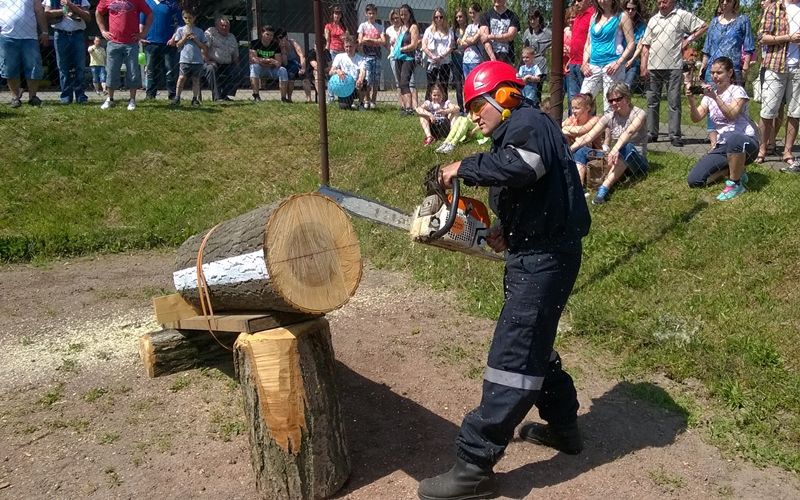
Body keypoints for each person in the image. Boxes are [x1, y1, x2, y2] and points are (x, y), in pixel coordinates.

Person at [417, 60, 590, 500]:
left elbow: (523, 168)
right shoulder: (515, 135)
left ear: (507, 97)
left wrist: (461, 167)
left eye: (479, 105)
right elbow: (530, 188)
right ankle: (565, 427)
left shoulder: (528, 122)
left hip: (545, 257)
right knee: (534, 343)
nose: (474, 115)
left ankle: (475, 464)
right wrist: (502, 231)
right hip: (535, 253)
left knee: (513, 355)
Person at [686, 57, 759, 199]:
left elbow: (731, 114)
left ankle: (735, 184)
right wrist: (691, 101)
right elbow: (696, 118)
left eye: (719, 72)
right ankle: (734, 170)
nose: (714, 76)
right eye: (712, 73)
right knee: (695, 180)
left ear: (730, 73)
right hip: (723, 145)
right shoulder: (709, 95)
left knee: (734, 137)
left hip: (746, 143)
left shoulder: (738, 91)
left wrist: (715, 97)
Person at [640, 0, 706, 146]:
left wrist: (688, 40)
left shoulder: (681, 15)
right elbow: (645, 45)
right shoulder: (653, 20)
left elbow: (703, 26)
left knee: (674, 101)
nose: (661, 2)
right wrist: (643, 65)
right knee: (652, 101)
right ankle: (652, 133)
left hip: (674, 66)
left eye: (665, 0)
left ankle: (675, 135)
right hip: (653, 66)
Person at [570, 82, 648, 204]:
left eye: (618, 99)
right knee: (581, 151)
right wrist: (569, 150)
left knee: (626, 147)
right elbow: (589, 136)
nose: (614, 103)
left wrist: (615, 150)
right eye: (611, 101)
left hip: (636, 161)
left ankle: (602, 191)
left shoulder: (639, 113)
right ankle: (577, 189)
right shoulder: (609, 117)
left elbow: (629, 132)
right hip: (615, 157)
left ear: (627, 98)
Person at [700, 0, 756, 148]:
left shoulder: (742, 20)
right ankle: (714, 143)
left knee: (732, 106)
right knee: (711, 104)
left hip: (732, 70)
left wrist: (745, 68)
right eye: (722, 0)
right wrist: (704, 65)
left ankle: (733, 139)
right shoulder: (713, 22)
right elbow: (707, 47)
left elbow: (749, 46)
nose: (725, 3)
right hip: (713, 69)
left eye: (728, 0)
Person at [757, 0, 800, 169]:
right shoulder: (774, 7)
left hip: (798, 68)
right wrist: (788, 38)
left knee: (795, 112)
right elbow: (762, 37)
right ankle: (762, 150)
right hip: (776, 66)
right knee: (768, 111)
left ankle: (787, 152)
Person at [580, 0, 636, 113]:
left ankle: (611, 130)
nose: (602, 1)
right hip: (594, 65)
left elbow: (631, 43)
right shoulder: (594, 17)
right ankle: (587, 129)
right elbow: (589, 42)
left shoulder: (622, 16)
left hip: (612, 65)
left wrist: (619, 62)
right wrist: (584, 62)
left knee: (610, 105)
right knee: (582, 101)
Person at [96, 0, 153, 111]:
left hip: (131, 44)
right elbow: (98, 12)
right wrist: (103, 31)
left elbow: (150, 14)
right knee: (111, 71)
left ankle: (132, 100)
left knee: (133, 72)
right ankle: (110, 99)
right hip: (113, 43)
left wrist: (143, 33)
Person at [0, 0, 49, 107]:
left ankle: (33, 97)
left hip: (30, 37)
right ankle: (15, 97)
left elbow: (39, 10)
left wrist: (45, 31)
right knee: (10, 68)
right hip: (6, 36)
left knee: (34, 67)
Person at [43, 0, 92, 105]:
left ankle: (81, 96)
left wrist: (71, 5)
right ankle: (65, 97)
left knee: (80, 67)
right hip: (60, 35)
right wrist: (64, 10)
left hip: (78, 35)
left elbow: (87, 17)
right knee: (63, 67)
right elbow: (46, 14)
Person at [139, 0, 181, 101]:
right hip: (150, 43)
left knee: (170, 71)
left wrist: (174, 38)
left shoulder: (172, 3)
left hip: (168, 43)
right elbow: (141, 22)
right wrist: (141, 36)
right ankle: (150, 96)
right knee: (150, 71)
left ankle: (172, 96)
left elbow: (179, 24)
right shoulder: (146, 2)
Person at [171, 9, 207, 107]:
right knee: (181, 78)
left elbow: (204, 46)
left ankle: (195, 99)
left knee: (196, 80)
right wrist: (185, 37)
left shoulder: (199, 31)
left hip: (197, 60)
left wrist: (195, 39)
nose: (188, 20)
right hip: (185, 59)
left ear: (194, 18)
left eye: (190, 18)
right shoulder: (180, 30)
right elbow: (178, 44)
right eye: (185, 18)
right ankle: (177, 97)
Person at [566, 0, 595, 113]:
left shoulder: (593, 14)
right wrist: (570, 59)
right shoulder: (578, 16)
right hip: (573, 63)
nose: (577, 4)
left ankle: (589, 126)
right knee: (572, 98)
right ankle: (573, 124)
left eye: (580, 0)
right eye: (575, 1)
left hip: (586, 63)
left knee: (586, 99)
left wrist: (587, 61)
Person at [392, 4, 420, 115]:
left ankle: (409, 108)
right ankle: (404, 107)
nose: (403, 16)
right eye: (401, 14)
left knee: (405, 82)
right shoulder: (401, 27)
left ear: (410, 14)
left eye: (405, 14)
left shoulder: (413, 27)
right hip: (399, 57)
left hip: (408, 58)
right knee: (400, 83)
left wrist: (402, 48)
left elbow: (414, 44)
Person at [204, 17, 239, 102]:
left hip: (227, 64)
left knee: (237, 71)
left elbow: (235, 55)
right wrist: (207, 60)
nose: (224, 27)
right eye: (222, 25)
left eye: (226, 26)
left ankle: (224, 95)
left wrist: (237, 65)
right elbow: (204, 48)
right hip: (210, 62)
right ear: (216, 26)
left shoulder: (231, 37)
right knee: (211, 68)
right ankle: (217, 97)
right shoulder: (210, 33)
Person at [356, 3, 385, 109]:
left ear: (376, 14)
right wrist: (374, 41)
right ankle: (367, 99)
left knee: (376, 80)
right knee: (368, 79)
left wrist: (370, 40)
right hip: (366, 55)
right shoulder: (363, 26)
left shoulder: (380, 27)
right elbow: (360, 40)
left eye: (373, 13)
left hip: (377, 56)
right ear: (366, 14)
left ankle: (374, 99)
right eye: (369, 13)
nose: (371, 15)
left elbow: (383, 41)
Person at [249, 25, 287, 102]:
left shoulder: (275, 45)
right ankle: (256, 96)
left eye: (271, 35)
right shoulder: (254, 43)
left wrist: (264, 61)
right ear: (262, 34)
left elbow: (278, 63)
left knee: (283, 70)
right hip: (260, 68)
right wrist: (269, 60)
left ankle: (283, 98)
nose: (269, 37)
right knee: (254, 67)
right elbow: (253, 59)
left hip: (271, 69)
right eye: (267, 34)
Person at [422, 7, 454, 99]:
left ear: (444, 18)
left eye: (441, 17)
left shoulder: (449, 30)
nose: (438, 19)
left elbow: (451, 46)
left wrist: (441, 56)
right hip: (432, 61)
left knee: (444, 85)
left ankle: (444, 107)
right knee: (430, 85)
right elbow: (424, 46)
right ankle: (428, 106)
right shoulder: (429, 30)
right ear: (433, 18)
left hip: (445, 61)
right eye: (436, 17)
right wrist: (432, 56)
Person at [522, 9, 551, 106]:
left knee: (538, 91)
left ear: (539, 19)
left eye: (534, 19)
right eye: (530, 19)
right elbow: (524, 48)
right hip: (528, 65)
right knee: (527, 90)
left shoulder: (547, 32)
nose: (532, 22)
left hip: (540, 64)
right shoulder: (527, 32)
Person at [329, 35, 366, 110]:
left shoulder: (360, 59)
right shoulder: (339, 57)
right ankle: (350, 102)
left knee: (364, 82)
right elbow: (330, 72)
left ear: (355, 46)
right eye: (346, 46)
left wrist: (360, 79)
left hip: (355, 85)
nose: (348, 49)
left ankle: (361, 103)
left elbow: (363, 71)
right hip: (344, 87)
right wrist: (337, 71)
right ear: (344, 46)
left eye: (351, 46)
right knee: (344, 107)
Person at [479, 0, 520, 65]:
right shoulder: (485, 15)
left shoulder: (513, 16)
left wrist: (490, 36)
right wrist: (492, 58)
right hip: (489, 59)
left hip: (507, 58)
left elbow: (510, 36)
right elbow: (484, 39)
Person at [622, 0, 647, 95]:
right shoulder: (619, 22)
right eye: (628, 9)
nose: (630, 11)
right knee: (615, 88)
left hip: (632, 62)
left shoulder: (641, 26)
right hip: (618, 60)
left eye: (633, 9)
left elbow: (640, 46)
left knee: (626, 88)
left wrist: (632, 60)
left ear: (637, 10)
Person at [276, 28, 306, 103]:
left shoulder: (292, 42)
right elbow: (285, 63)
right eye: (279, 38)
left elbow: (301, 54)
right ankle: (284, 97)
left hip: (295, 63)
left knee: (292, 72)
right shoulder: (278, 46)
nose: (281, 39)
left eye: (281, 37)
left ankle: (289, 98)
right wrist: (283, 49)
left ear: (286, 36)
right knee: (287, 72)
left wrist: (303, 67)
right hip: (285, 65)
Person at [459, 3, 484, 78]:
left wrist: (466, 39)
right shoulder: (469, 26)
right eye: (470, 13)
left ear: (479, 12)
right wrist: (467, 40)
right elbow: (462, 42)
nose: (472, 15)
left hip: (476, 59)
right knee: (467, 82)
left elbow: (474, 40)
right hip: (466, 59)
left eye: (474, 13)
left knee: (474, 81)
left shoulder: (482, 26)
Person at [451, 7, 468, 113]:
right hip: (456, 58)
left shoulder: (469, 28)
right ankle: (461, 108)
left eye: (460, 16)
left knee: (467, 83)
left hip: (468, 58)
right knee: (458, 84)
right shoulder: (453, 30)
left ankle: (469, 106)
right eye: (457, 17)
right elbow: (451, 45)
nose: (458, 19)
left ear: (465, 17)